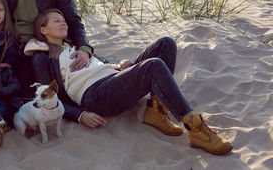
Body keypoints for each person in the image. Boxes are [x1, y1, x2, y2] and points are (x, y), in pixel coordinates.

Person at [24, 8, 233, 156]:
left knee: (165, 44)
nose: (64, 23)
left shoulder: (76, 46)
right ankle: (194, 127)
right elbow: (48, 95)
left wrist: (119, 65)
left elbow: (100, 64)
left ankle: (155, 111)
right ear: (43, 30)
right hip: (94, 95)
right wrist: (80, 115)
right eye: (56, 20)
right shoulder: (42, 57)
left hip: (112, 79)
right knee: (153, 65)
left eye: (64, 19)